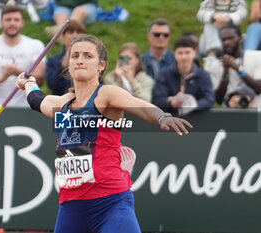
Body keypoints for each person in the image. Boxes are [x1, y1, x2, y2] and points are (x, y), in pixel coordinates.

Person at [15, 34, 192, 233]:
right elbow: (37, 100)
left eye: (87, 56)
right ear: (69, 63)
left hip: (110, 203)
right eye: (75, 55)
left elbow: (141, 106)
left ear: (101, 65)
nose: (80, 59)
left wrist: (162, 117)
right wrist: (27, 83)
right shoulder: (62, 104)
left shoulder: (105, 95)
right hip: (71, 207)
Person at [0, 5, 45, 106]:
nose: (12, 23)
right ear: (1, 22)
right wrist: (3, 77)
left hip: (26, 107)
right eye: (8, 19)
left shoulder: (35, 45)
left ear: (22, 23)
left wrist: (16, 72)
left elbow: (40, 80)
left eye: (16, 20)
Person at [152, 36, 215, 115]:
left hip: (196, 119)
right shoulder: (163, 74)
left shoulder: (203, 75)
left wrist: (191, 105)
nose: (184, 57)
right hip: (170, 119)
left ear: (195, 53)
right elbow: (157, 100)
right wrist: (171, 103)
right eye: (180, 53)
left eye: (187, 52)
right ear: (174, 54)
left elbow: (209, 99)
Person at [204, 24, 261, 106]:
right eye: (223, 40)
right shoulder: (215, 66)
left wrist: (237, 68)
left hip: (256, 112)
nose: (227, 42)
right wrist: (225, 73)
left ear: (240, 38)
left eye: (231, 38)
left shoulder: (258, 57)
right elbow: (218, 100)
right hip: (230, 114)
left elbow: (259, 88)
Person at [46, 20, 85, 95]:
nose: (75, 36)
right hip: (61, 102)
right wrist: (61, 67)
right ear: (63, 36)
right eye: (70, 32)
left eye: (78, 32)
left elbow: (98, 84)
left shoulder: (92, 59)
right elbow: (51, 86)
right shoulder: (53, 61)